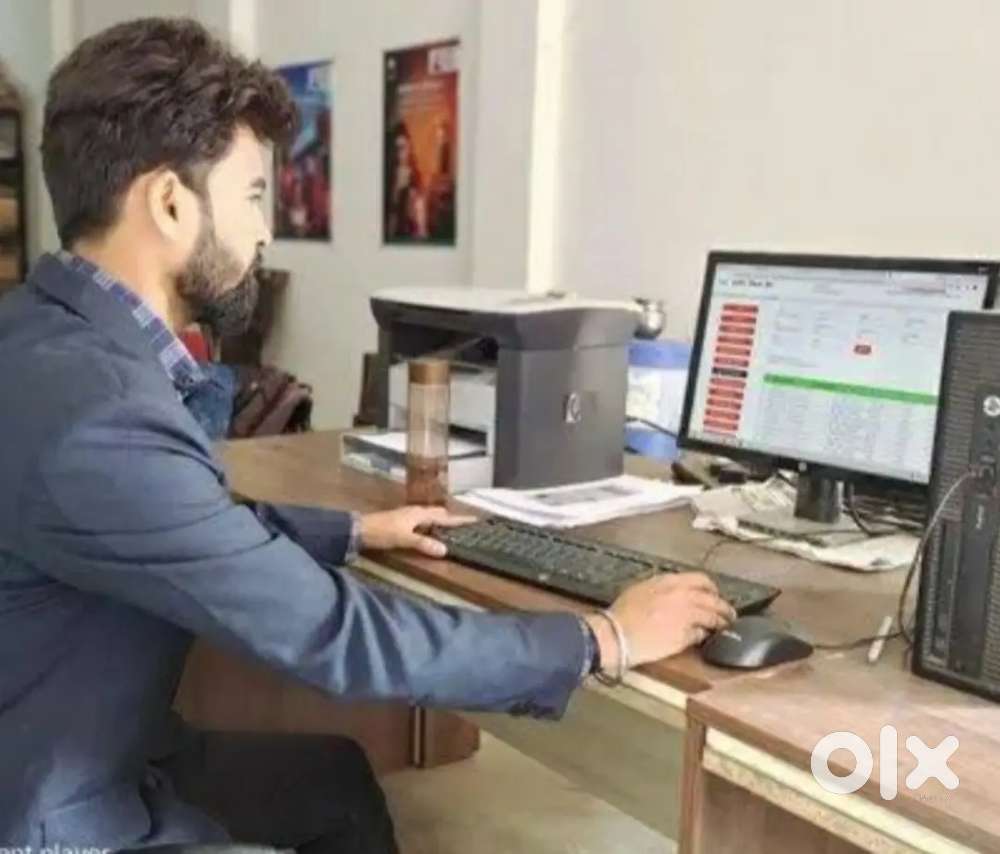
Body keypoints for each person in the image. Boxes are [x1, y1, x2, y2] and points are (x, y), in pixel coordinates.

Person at [0, 17, 735, 853]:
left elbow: (171, 522)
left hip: (74, 743)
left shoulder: (39, 334)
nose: (265, 231)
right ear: (170, 203)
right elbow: (331, 632)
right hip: (52, 814)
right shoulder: (96, 414)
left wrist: (353, 531)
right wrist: (605, 638)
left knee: (336, 782)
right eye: (253, 196)